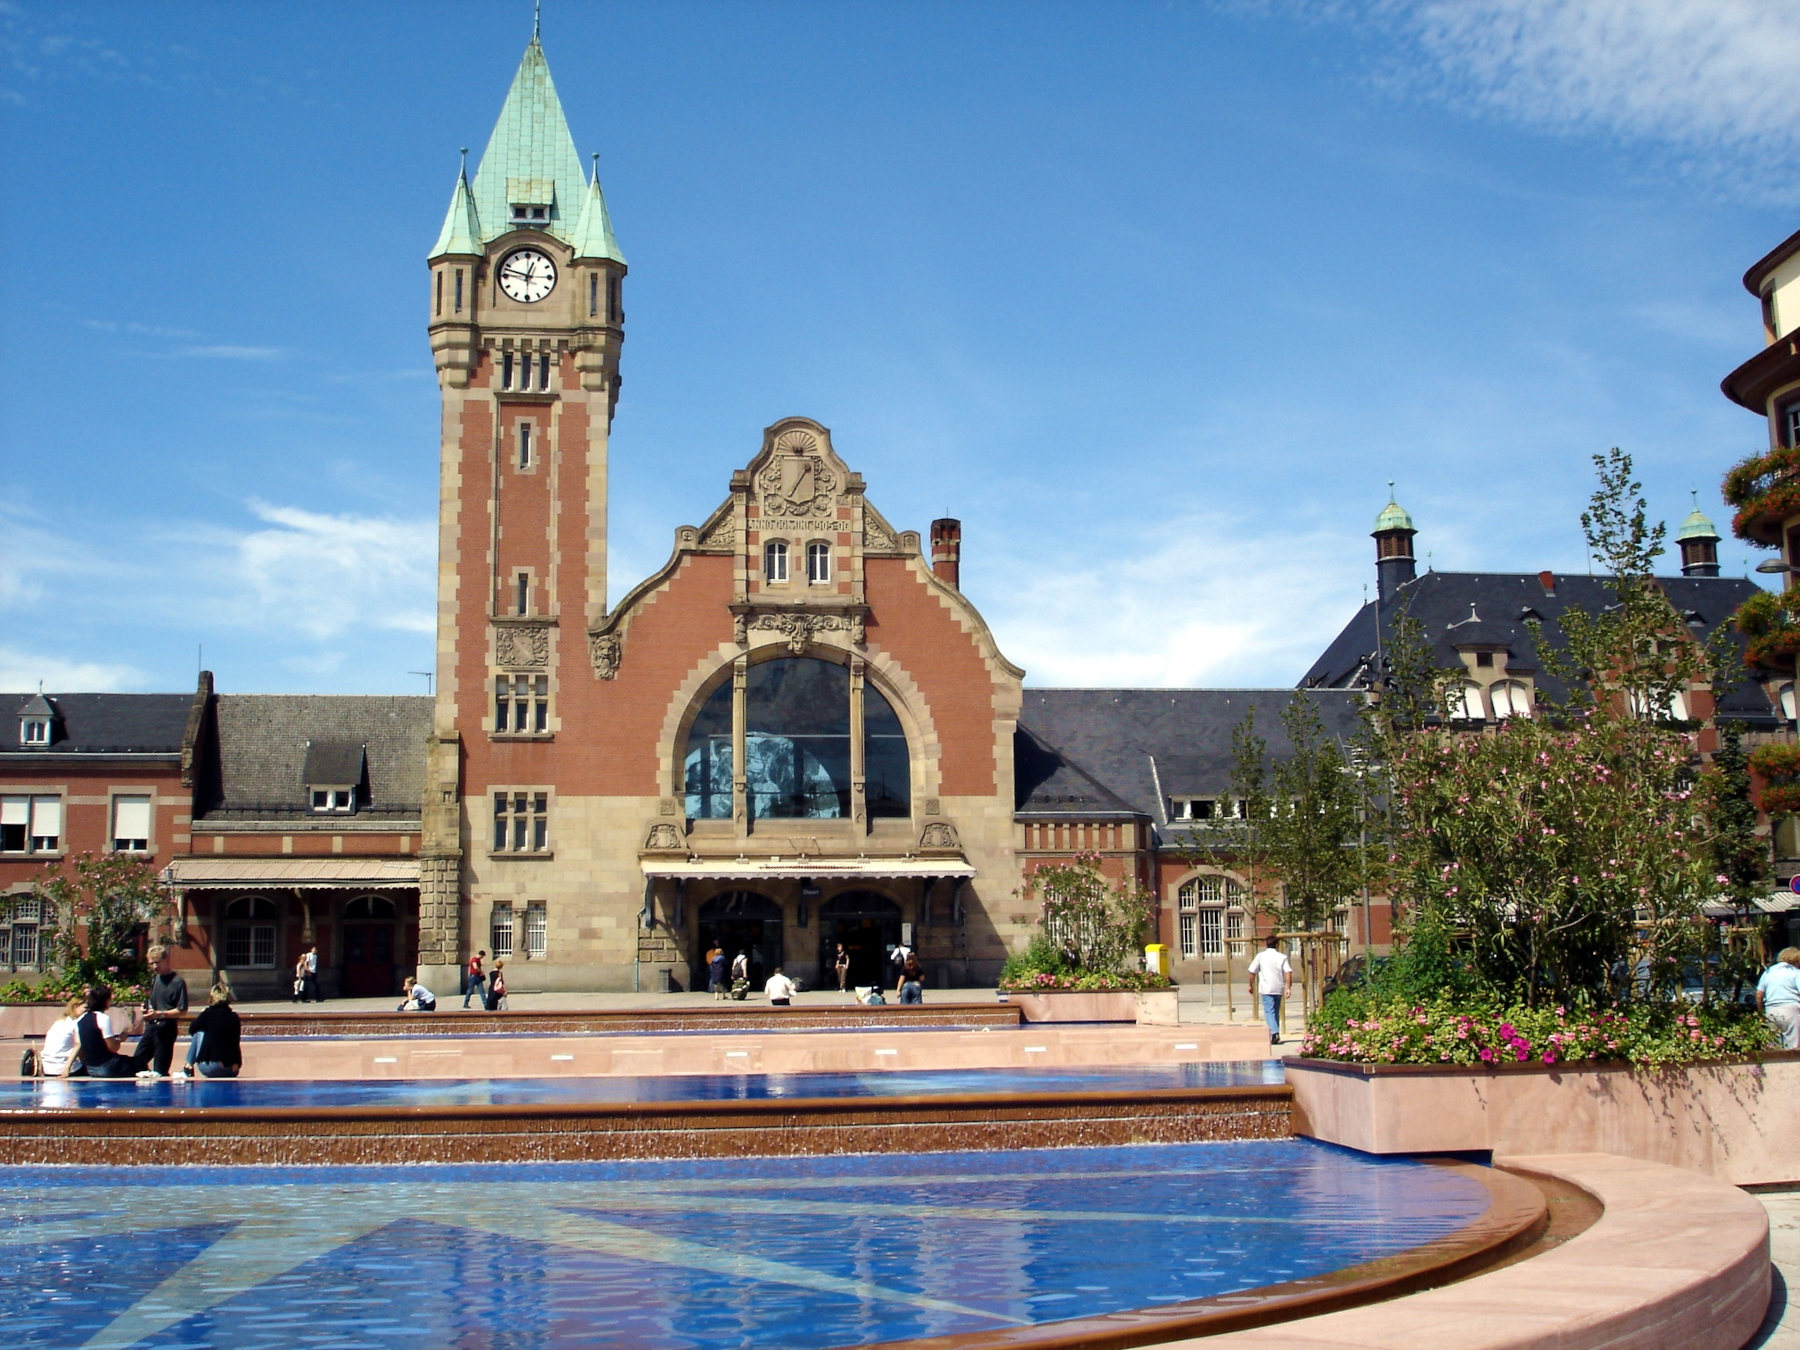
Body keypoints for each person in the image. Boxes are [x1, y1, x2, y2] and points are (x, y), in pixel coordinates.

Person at [135, 944, 189, 1077]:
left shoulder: (177, 982)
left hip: (166, 1029)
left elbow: (182, 1010)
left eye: (157, 962)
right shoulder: (155, 979)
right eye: (151, 963)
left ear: (166, 960)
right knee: (136, 1062)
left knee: (160, 1069)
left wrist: (160, 1014)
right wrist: (146, 1009)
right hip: (152, 1027)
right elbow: (153, 1002)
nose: (154, 966)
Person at [74, 985, 139, 1078]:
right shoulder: (103, 1018)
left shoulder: (81, 1020)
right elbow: (113, 1048)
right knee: (138, 1063)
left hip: (91, 1068)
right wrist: (120, 1039)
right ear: (105, 1001)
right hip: (107, 1067)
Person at [184, 978, 242, 1079]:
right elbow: (235, 1042)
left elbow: (192, 1030)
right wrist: (236, 1063)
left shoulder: (207, 1014)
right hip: (230, 1069)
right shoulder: (234, 1017)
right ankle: (188, 1064)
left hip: (209, 1067)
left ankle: (188, 1065)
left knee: (199, 1031)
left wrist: (201, 1015)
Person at [1247, 934, 1292, 1046]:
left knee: (1269, 1011)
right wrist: (1288, 987)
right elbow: (1288, 972)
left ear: (1266, 944)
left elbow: (1252, 971)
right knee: (1275, 1012)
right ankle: (1274, 1034)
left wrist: (1250, 985)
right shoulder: (1282, 957)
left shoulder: (1261, 956)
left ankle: (1274, 1033)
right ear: (1277, 944)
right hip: (1278, 988)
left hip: (1266, 988)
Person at [1756, 947, 1800, 1050]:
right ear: (1796, 960)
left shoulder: (1768, 972)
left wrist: (1760, 1012)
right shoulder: (1795, 972)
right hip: (1790, 1010)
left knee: (1774, 1045)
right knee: (1793, 1045)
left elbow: (1759, 994)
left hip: (1771, 1010)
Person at [37, 996, 86, 1077]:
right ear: (75, 1007)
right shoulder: (76, 1023)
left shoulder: (58, 1022)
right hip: (63, 1068)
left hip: (47, 1068)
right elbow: (78, 1044)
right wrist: (67, 1068)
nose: (87, 1011)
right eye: (85, 1008)